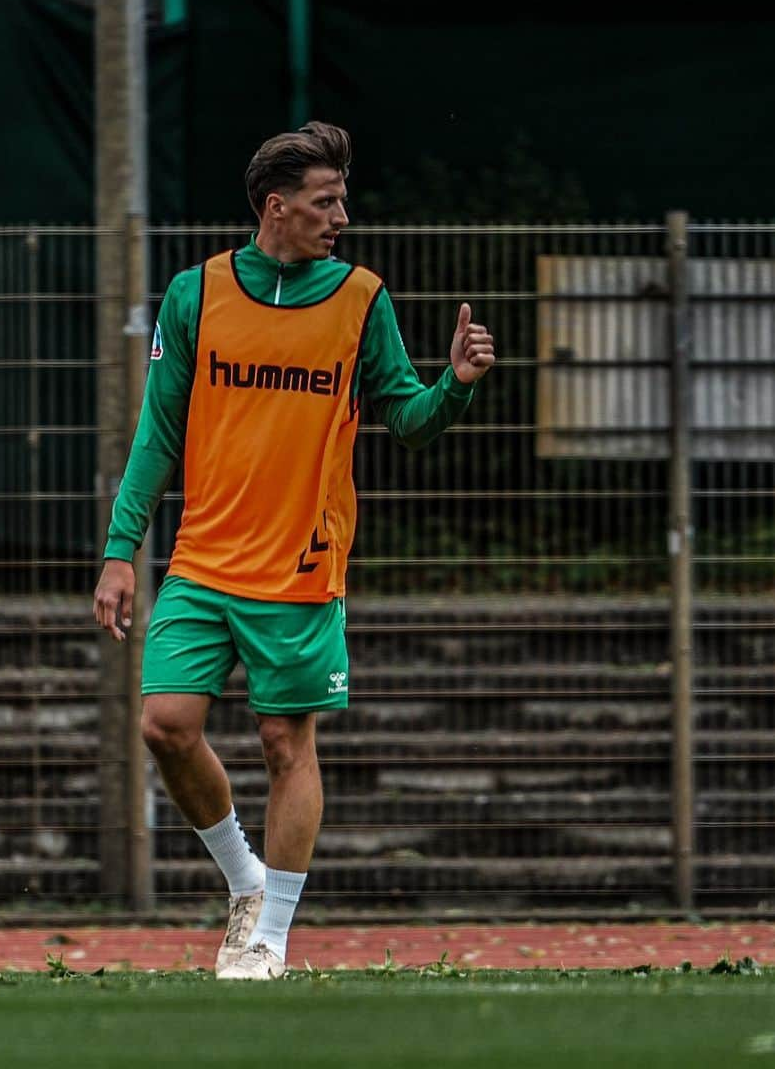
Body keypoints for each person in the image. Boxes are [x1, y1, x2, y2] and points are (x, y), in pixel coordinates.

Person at [92, 121, 495, 980]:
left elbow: (408, 423)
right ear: (276, 208)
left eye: (341, 198)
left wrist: (453, 388)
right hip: (202, 560)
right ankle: (245, 881)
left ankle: (269, 935)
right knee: (165, 727)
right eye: (326, 200)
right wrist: (122, 549)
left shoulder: (362, 299)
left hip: (303, 567)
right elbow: (159, 432)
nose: (341, 214)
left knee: (285, 744)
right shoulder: (194, 293)